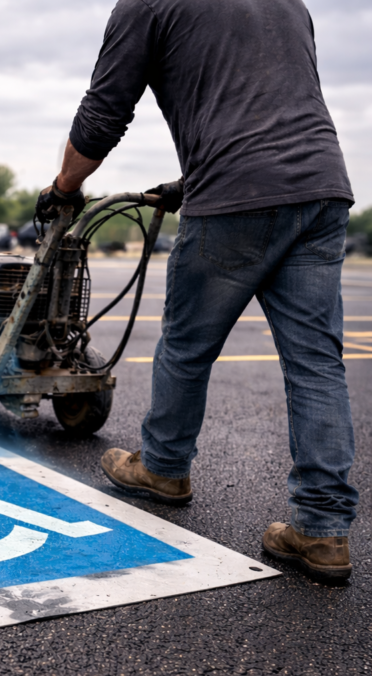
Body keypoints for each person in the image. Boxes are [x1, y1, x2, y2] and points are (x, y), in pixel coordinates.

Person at [35, 0, 357, 584]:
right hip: (321, 187)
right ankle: (323, 529)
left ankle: (162, 467)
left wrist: (63, 187)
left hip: (236, 195)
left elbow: (104, 113)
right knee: (316, 362)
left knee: (187, 346)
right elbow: (270, 109)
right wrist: (189, 183)